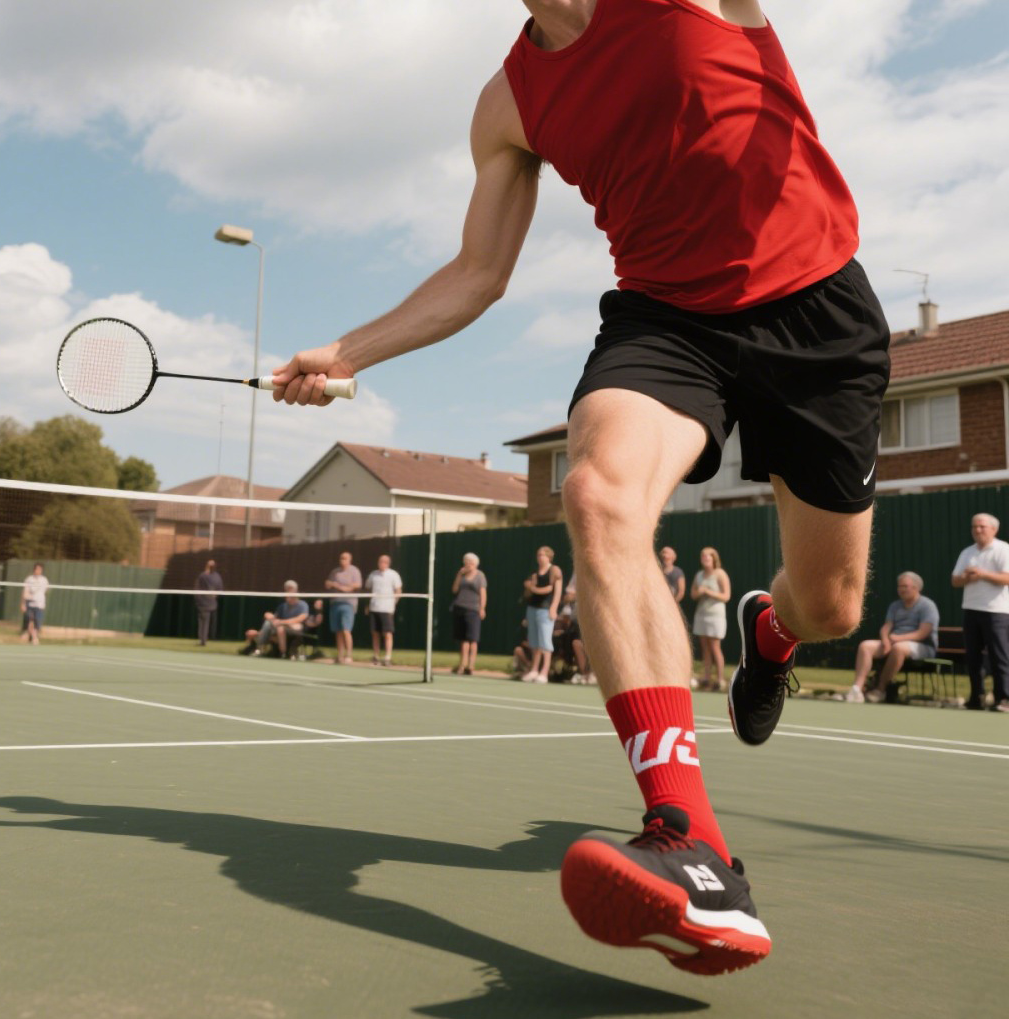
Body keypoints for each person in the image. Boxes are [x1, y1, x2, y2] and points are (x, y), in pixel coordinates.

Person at [268, 0, 893, 972]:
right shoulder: (505, 104)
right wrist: (346, 352)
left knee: (829, 607)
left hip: (814, 314)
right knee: (596, 493)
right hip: (664, 321)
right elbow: (478, 272)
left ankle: (766, 627)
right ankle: (690, 844)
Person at [843, 572, 939, 703]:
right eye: (900, 586)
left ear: (917, 588)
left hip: (923, 646)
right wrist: (886, 640)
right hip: (894, 642)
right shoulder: (895, 606)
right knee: (865, 646)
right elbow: (887, 627)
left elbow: (923, 633)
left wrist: (897, 639)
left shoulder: (928, 606)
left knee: (899, 648)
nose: (901, 589)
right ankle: (857, 689)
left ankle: (880, 690)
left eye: (905, 586)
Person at [952, 513, 1009, 711]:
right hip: (970, 609)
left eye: (982, 526)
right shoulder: (967, 552)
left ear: (994, 529)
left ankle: (1004, 698)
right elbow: (955, 581)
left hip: (997, 612)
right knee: (973, 658)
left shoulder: (1003, 549)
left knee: (999, 657)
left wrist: (982, 574)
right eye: (974, 526)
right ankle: (977, 698)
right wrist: (967, 576)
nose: (977, 530)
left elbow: (1007, 578)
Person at [690, 547, 731, 692]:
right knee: (705, 649)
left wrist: (707, 591)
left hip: (716, 616)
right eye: (703, 556)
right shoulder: (699, 575)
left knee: (715, 647)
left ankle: (720, 680)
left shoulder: (720, 574)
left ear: (714, 558)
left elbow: (726, 596)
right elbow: (693, 594)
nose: (705, 558)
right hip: (701, 614)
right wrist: (699, 592)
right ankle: (706, 678)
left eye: (708, 556)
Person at [521, 546, 563, 683]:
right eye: (538, 555)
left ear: (549, 556)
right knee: (534, 642)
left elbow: (556, 591)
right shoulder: (534, 572)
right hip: (532, 609)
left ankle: (544, 672)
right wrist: (531, 587)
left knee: (545, 642)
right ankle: (534, 670)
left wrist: (554, 608)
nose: (540, 557)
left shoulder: (554, 570)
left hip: (546, 610)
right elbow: (529, 591)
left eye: (542, 555)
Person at [242, 580, 309, 658]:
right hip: (278, 629)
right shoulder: (282, 606)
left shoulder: (303, 605)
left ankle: (261, 649)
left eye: (291, 589)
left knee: (278, 627)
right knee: (265, 624)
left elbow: (301, 618)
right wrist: (269, 616)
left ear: (296, 591)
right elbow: (275, 619)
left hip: (294, 630)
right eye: (287, 589)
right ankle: (258, 648)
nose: (289, 591)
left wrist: (282, 622)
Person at [450, 553, 487, 676]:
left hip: (473, 610)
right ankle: (462, 665)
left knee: (473, 639)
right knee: (463, 640)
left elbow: (483, 593)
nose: (468, 564)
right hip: (460, 607)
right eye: (466, 562)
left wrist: (482, 608)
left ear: (476, 563)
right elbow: (454, 590)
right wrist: (459, 575)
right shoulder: (462, 575)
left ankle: (471, 666)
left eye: (470, 562)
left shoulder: (480, 576)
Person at [364, 554, 404, 666]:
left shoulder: (393, 575)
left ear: (388, 563)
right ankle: (376, 657)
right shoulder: (373, 575)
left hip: (387, 608)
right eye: (380, 561)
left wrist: (393, 604)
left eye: (384, 561)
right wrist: (367, 605)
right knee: (375, 633)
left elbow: (398, 590)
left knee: (387, 633)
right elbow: (368, 589)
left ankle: (387, 657)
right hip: (374, 607)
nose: (381, 563)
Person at [325, 551, 362, 664]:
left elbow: (356, 585)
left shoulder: (354, 571)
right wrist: (331, 584)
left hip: (348, 604)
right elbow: (327, 584)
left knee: (346, 630)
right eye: (341, 558)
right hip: (335, 603)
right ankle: (340, 656)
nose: (342, 560)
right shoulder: (335, 572)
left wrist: (340, 587)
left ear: (349, 560)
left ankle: (348, 655)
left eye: (345, 558)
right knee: (338, 631)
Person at [194, 560, 224, 646]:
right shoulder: (217, 576)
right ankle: (204, 639)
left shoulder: (203, 576)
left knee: (204, 622)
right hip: (210, 603)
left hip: (204, 603)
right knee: (205, 621)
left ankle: (203, 641)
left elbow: (197, 588)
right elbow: (220, 589)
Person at [21, 563, 49, 646]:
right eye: (37, 569)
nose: (38, 571)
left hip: (39, 604)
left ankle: (33, 636)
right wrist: (23, 603)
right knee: (29, 620)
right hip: (29, 603)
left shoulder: (44, 580)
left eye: (40, 569)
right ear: (34, 569)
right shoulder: (29, 579)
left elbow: (45, 591)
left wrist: (42, 601)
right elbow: (24, 591)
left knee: (37, 621)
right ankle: (33, 637)